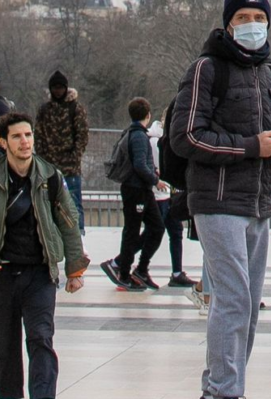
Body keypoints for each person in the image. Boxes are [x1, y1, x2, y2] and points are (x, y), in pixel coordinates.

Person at [170, 0, 271, 399]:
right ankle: (224, 392)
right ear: (227, 23)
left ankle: (224, 385)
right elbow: (185, 136)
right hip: (217, 200)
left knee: (249, 306)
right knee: (234, 300)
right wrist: (250, 146)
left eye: (260, 19)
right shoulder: (207, 68)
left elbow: (257, 140)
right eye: (244, 18)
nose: (253, 26)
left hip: (257, 200)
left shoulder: (267, 70)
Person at [0, 112, 89, 399]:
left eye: (28, 135)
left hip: (40, 274)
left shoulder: (50, 176)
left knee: (40, 339)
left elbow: (69, 221)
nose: (25, 142)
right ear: (3, 143)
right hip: (4, 274)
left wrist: (75, 269)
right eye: (16, 136)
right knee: (5, 348)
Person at [100, 98, 166, 291]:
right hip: (136, 189)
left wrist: (152, 172)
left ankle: (139, 268)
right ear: (148, 115)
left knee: (156, 227)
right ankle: (124, 270)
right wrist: (156, 180)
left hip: (141, 189)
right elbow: (138, 165)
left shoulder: (135, 134)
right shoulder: (138, 136)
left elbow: (141, 163)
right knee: (133, 230)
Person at [35, 71, 90, 235]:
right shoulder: (45, 109)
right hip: (49, 166)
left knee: (73, 202)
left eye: (60, 88)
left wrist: (74, 157)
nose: (58, 91)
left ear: (66, 88)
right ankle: (50, 233)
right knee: (48, 202)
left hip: (70, 167)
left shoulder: (75, 108)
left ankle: (78, 234)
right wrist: (42, 158)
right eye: (55, 88)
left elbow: (82, 135)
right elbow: (38, 135)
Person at [148, 116, 197, 288]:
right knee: (154, 232)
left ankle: (176, 272)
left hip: (170, 193)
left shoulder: (172, 139)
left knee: (175, 232)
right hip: (160, 194)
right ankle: (130, 265)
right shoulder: (158, 141)